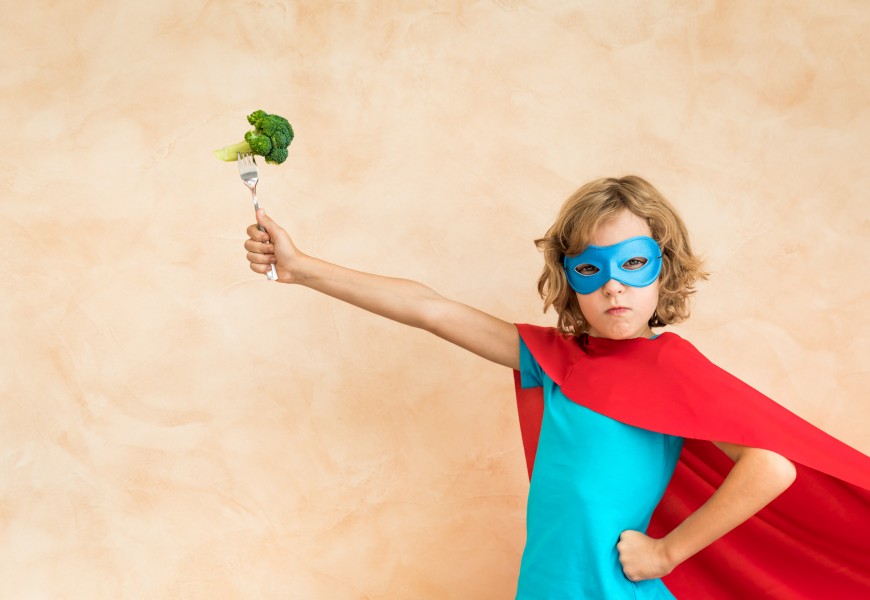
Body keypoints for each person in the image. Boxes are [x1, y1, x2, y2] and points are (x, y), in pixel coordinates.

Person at [242, 176, 870, 598]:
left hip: (614, 587)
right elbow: (428, 307)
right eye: (591, 270)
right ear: (569, 280)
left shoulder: (674, 369)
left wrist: (667, 554)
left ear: (663, 269)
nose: (613, 287)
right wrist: (303, 269)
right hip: (546, 583)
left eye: (632, 264)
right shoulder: (554, 357)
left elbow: (771, 466)